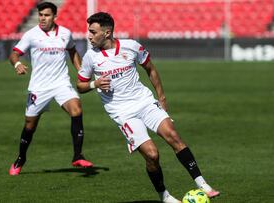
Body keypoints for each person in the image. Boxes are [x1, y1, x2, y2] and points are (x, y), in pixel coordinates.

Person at [77, 12, 220, 203]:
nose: (89, 35)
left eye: (93, 32)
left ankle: (202, 184)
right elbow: (80, 85)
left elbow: (150, 69)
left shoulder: (131, 46)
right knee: (152, 155)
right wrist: (95, 85)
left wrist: (161, 96)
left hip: (144, 101)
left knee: (173, 136)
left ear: (107, 32)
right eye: (89, 32)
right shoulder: (90, 58)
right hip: (122, 112)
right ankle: (164, 195)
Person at [8, 2, 93, 176]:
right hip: (39, 87)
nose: (42, 18)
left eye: (46, 15)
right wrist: (17, 63)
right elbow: (14, 53)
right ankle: (21, 158)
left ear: (55, 16)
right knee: (30, 126)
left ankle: (78, 155)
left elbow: (72, 51)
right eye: (40, 15)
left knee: (76, 109)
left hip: (61, 83)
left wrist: (82, 72)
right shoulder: (31, 35)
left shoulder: (65, 33)